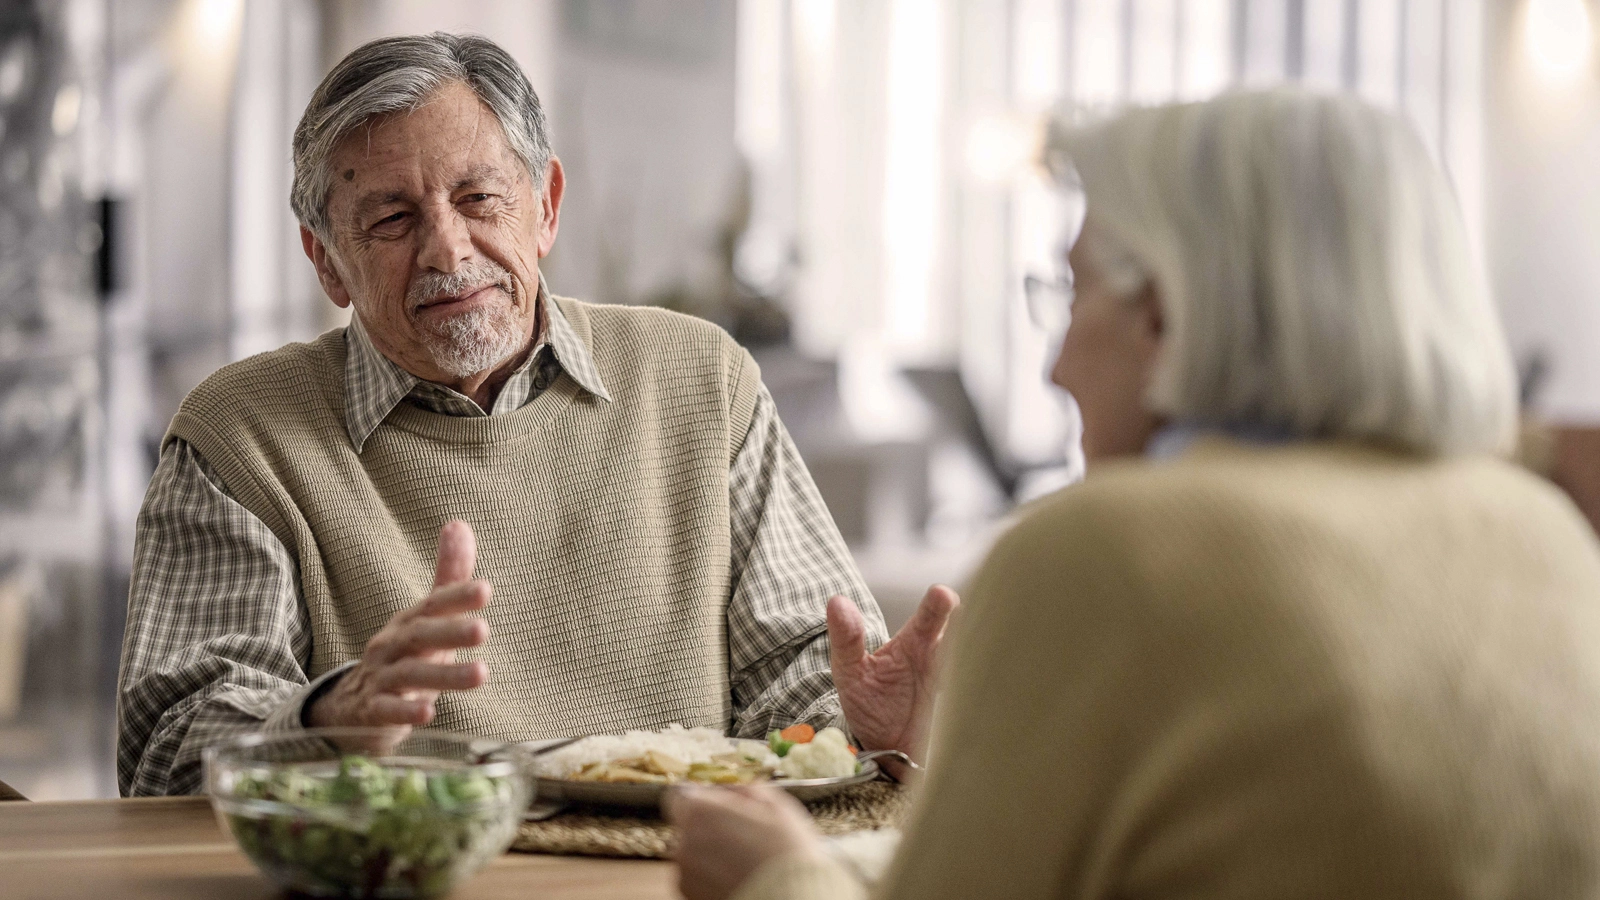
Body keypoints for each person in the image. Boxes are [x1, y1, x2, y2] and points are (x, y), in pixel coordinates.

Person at [668, 90, 1600, 900]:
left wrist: (778, 881)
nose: (1057, 363)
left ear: (1164, 313)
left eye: (1070, 296)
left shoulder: (1111, 548)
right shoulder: (1546, 536)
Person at [116, 33, 956, 797]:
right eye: (392, 218)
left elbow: (800, 677)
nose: (447, 248)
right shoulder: (243, 433)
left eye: (480, 197)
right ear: (327, 261)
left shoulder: (702, 381)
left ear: (546, 204)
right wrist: (329, 718)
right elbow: (166, 757)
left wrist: (862, 735)